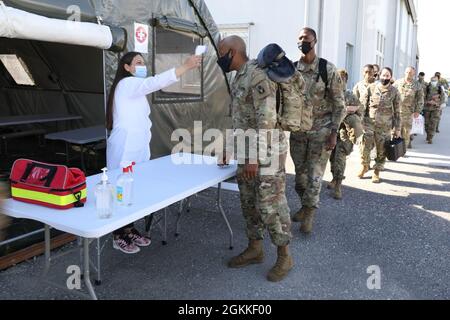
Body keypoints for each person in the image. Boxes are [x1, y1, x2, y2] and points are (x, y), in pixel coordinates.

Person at [106, 51, 202, 254]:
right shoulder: (127, 84)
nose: (142, 65)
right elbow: (154, 82)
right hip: (125, 147)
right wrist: (185, 67)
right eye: (138, 62)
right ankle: (118, 235)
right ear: (127, 67)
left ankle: (129, 229)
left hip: (137, 146)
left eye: (143, 62)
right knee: (120, 189)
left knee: (134, 189)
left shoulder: (135, 90)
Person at [217, 36, 294, 282]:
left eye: (221, 52)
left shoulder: (258, 76)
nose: (219, 58)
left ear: (232, 51)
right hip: (247, 150)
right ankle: (255, 248)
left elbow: (267, 121)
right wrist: (229, 147)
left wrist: (253, 158)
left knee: (270, 204)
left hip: (266, 152)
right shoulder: (239, 76)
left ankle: (284, 256)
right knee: (249, 202)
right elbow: (239, 118)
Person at [290, 27, 345, 234]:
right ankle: (305, 207)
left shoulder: (327, 69)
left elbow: (339, 104)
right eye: (300, 38)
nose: (302, 41)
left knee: (314, 175)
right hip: (298, 132)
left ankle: (309, 215)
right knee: (299, 178)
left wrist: (333, 133)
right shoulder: (292, 69)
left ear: (315, 41)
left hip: (321, 131)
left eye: (306, 38)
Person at [359, 67, 401, 183]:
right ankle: (365, 165)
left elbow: (397, 111)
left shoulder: (394, 91)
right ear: (379, 75)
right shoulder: (371, 88)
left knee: (381, 150)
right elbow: (363, 105)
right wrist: (360, 121)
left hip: (385, 126)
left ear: (390, 77)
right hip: (369, 123)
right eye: (383, 75)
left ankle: (376, 171)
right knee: (364, 146)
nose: (385, 78)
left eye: (387, 76)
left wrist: (397, 128)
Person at [328, 69, 363, 200]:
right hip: (332, 130)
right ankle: (333, 178)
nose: (340, 81)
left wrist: (353, 110)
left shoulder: (350, 96)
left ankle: (338, 185)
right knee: (331, 157)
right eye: (338, 78)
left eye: (342, 79)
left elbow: (361, 112)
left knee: (340, 157)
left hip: (345, 132)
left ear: (346, 81)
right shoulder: (329, 95)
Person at [394, 67, 424, 149]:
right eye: (407, 72)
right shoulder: (398, 82)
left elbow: (420, 99)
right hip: (396, 111)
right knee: (394, 131)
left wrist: (418, 111)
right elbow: (391, 94)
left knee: (406, 132)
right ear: (404, 72)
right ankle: (394, 150)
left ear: (414, 74)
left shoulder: (417, 85)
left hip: (409, 113)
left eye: (410, 73)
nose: (408, 74)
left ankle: (403, 150)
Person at [424, 76, 446, 144]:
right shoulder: (426, 87)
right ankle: (428, 134)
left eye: (435, 80)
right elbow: (422, 97)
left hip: (436, 109)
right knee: (427, 123)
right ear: (430, 80)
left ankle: (430, 137)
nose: (434, 82)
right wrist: (427, 102)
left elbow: (443, 97)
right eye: (432, 80)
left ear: (437, 81)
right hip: (427, 108)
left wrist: (438, 103)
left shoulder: (440, 88)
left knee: (433, 123)